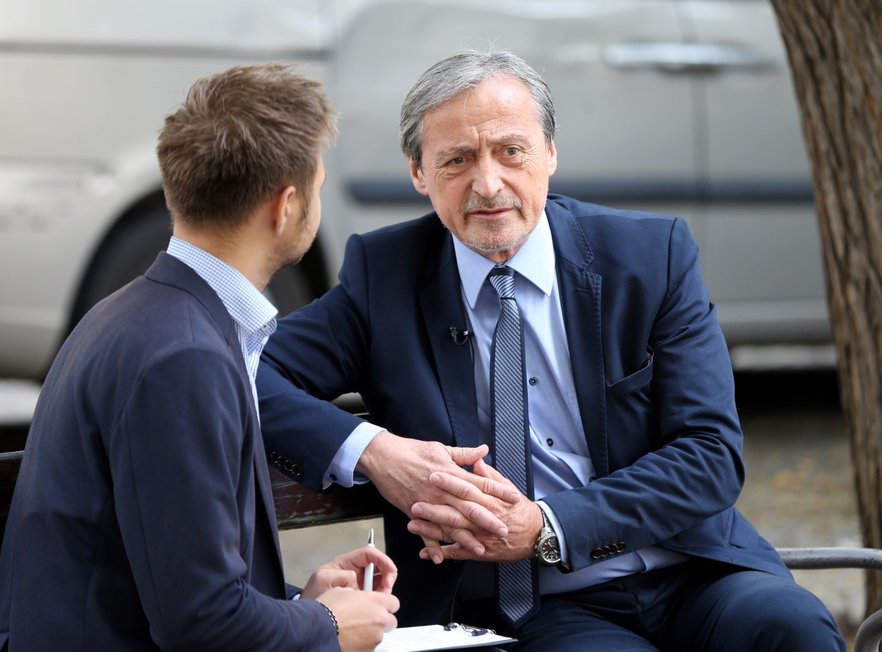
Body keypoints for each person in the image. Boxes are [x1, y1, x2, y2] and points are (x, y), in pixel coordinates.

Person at [257, 49, 845, 650]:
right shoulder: (384, 277)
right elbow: (243, 371)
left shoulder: (650, 257)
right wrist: (376, 451)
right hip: (542, 607)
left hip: (698, 572)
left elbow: (710, 453)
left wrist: (545, 527)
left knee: (792, 628)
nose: (488, 184)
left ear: (550, 155)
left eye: (510, 152)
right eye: (456, 160)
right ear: (418, 173)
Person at [0, 64, 399, 652]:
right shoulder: (184, 357)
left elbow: (175, 584)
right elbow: (202, 624)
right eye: (320, 184)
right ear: (284, 205)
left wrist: (300, 605)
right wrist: (329, 626)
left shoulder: (135, 316)